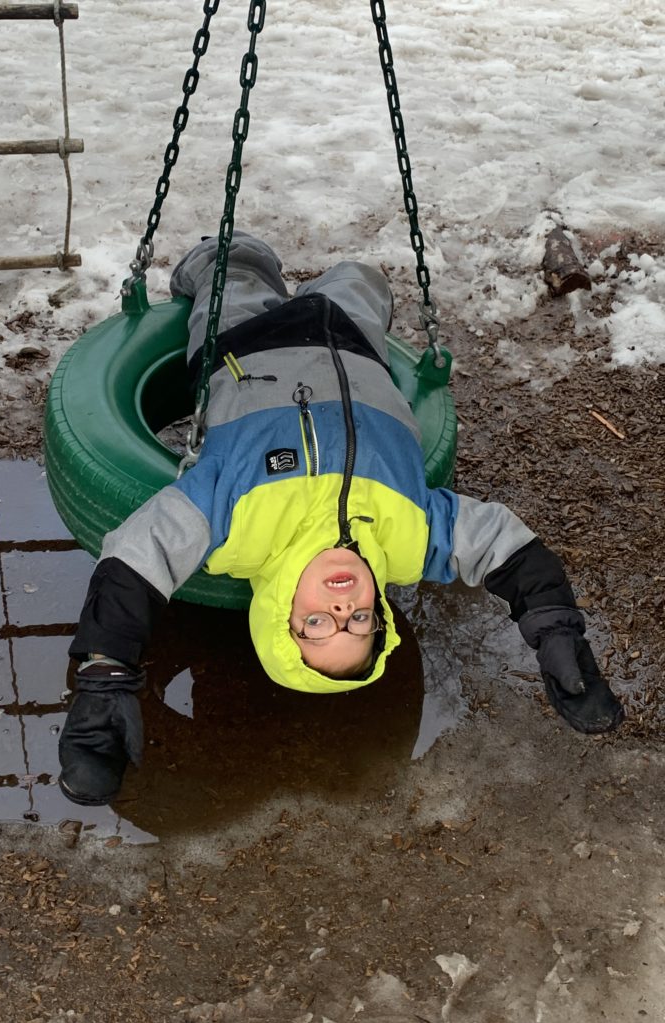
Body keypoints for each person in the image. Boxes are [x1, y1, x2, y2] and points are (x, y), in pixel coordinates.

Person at [57, 232, 624, 806]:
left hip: (244, 346)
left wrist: (105, 668)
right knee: (364, 278)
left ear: (282, 616)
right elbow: (504, 547)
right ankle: (341, 277)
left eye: (318, 625)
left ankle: (237, 256)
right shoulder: (411, 539)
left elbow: (140, 553)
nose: (342, 608)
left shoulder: (235, 531)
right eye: (359, 622)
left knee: (231, 269)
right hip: (354, 345)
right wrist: (555, 629)